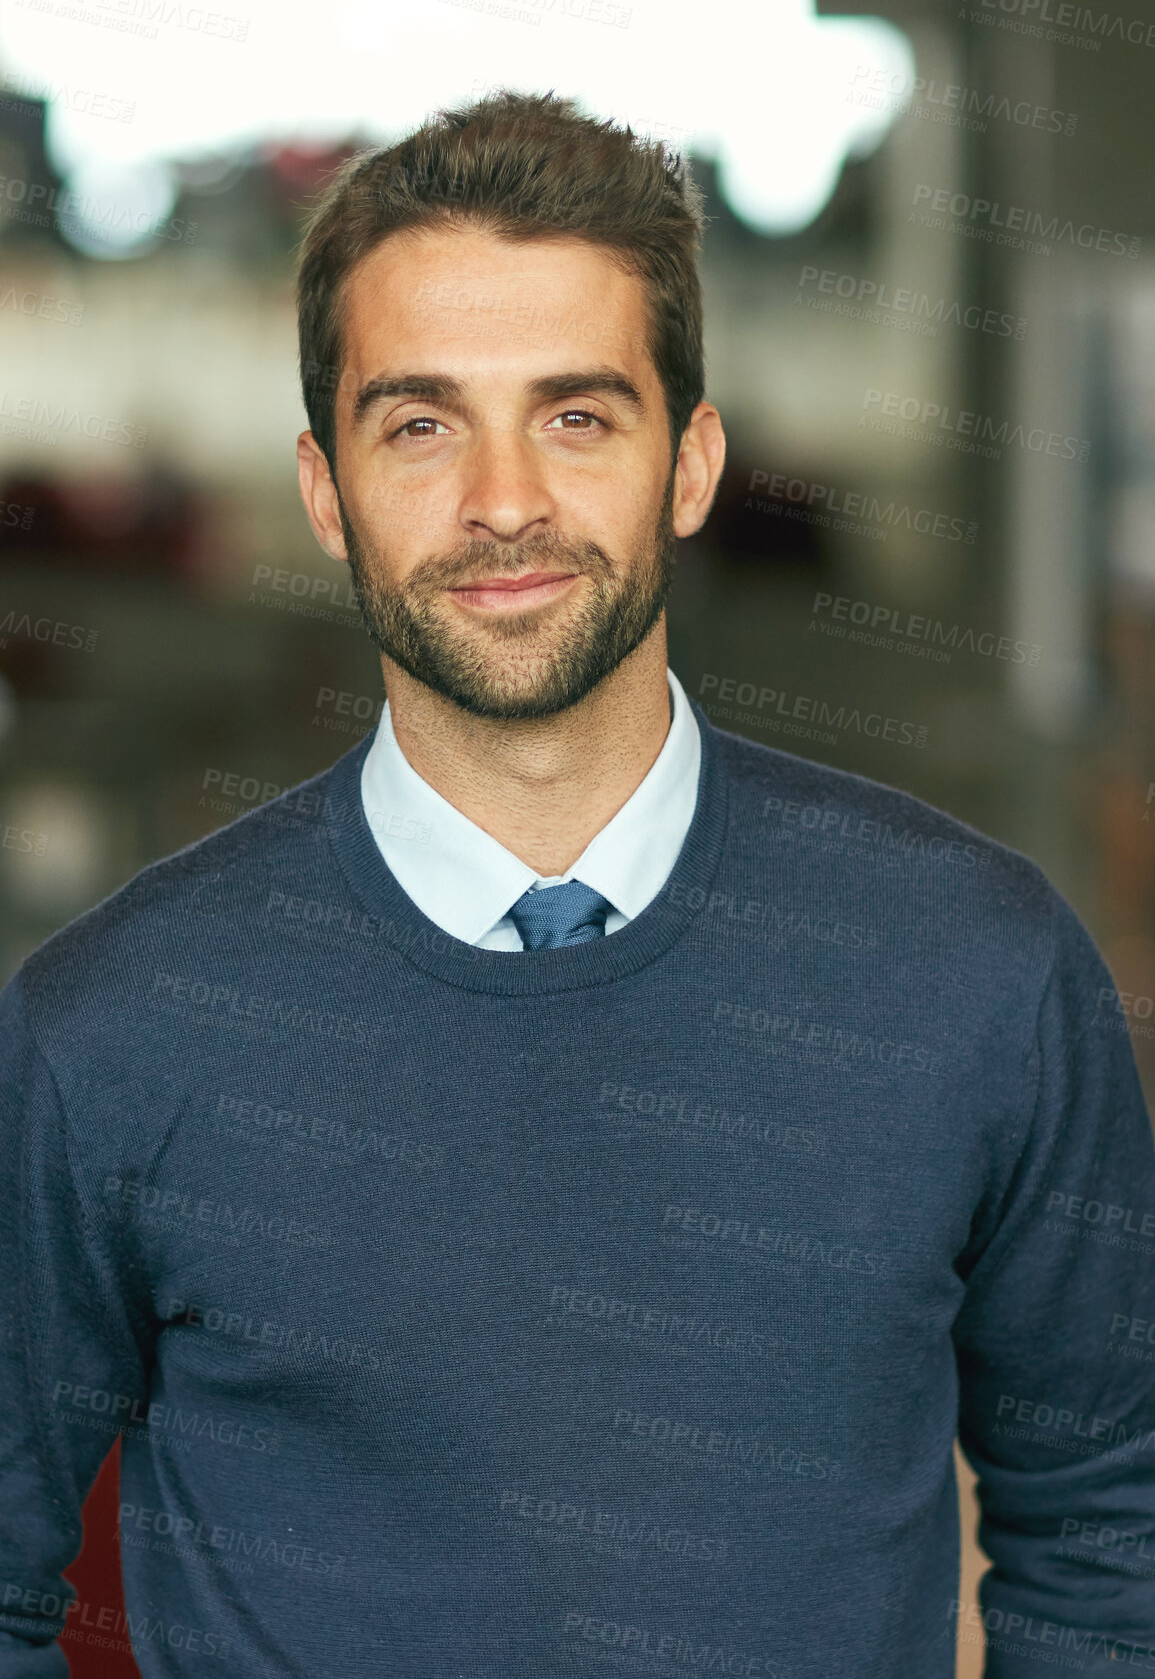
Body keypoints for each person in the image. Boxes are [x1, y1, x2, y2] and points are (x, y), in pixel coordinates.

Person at [2, 89, 1153, 1679]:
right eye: (420, 423)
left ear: (692, 464)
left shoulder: (981, 972)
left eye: (576, 414)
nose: (504, 502)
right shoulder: (107, 1033)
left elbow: (1110, 1522)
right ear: (325, 488)